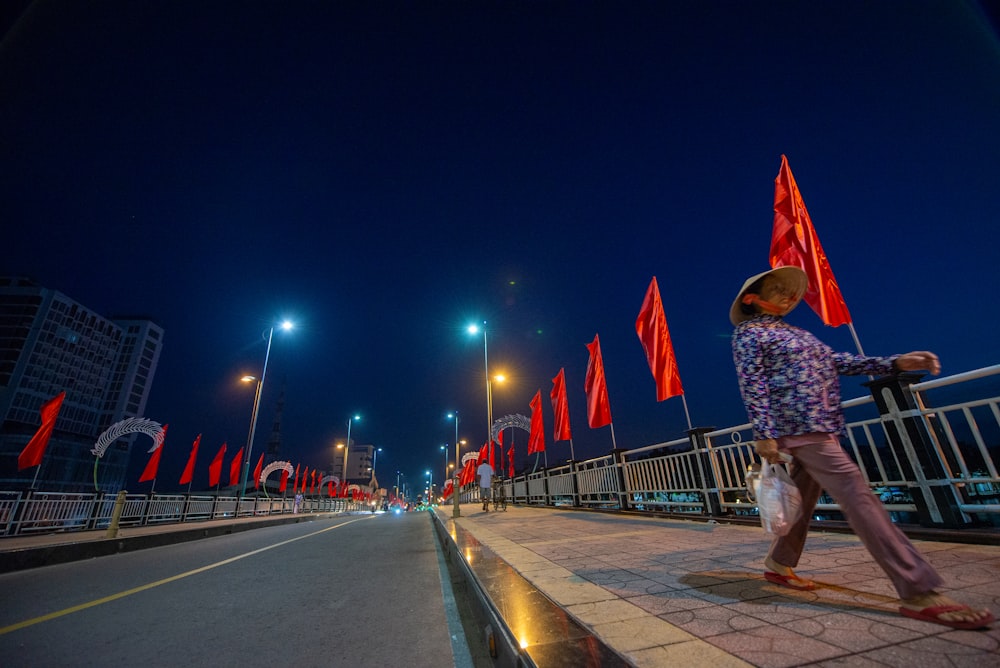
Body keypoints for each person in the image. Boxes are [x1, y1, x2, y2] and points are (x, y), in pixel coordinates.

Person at [730, 266, 994, 630]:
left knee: (805, 496)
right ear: (751, 299)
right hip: (798, 426)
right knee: (858, 495)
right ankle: (918, 589)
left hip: (823, 424)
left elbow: (836, 361)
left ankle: (779, 562)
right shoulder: (749, 334)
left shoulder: (794, 333)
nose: (790, 296)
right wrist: (764, 433)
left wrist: (894, 362)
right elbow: (753, 384)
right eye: (778, 289)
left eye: (792, 292)